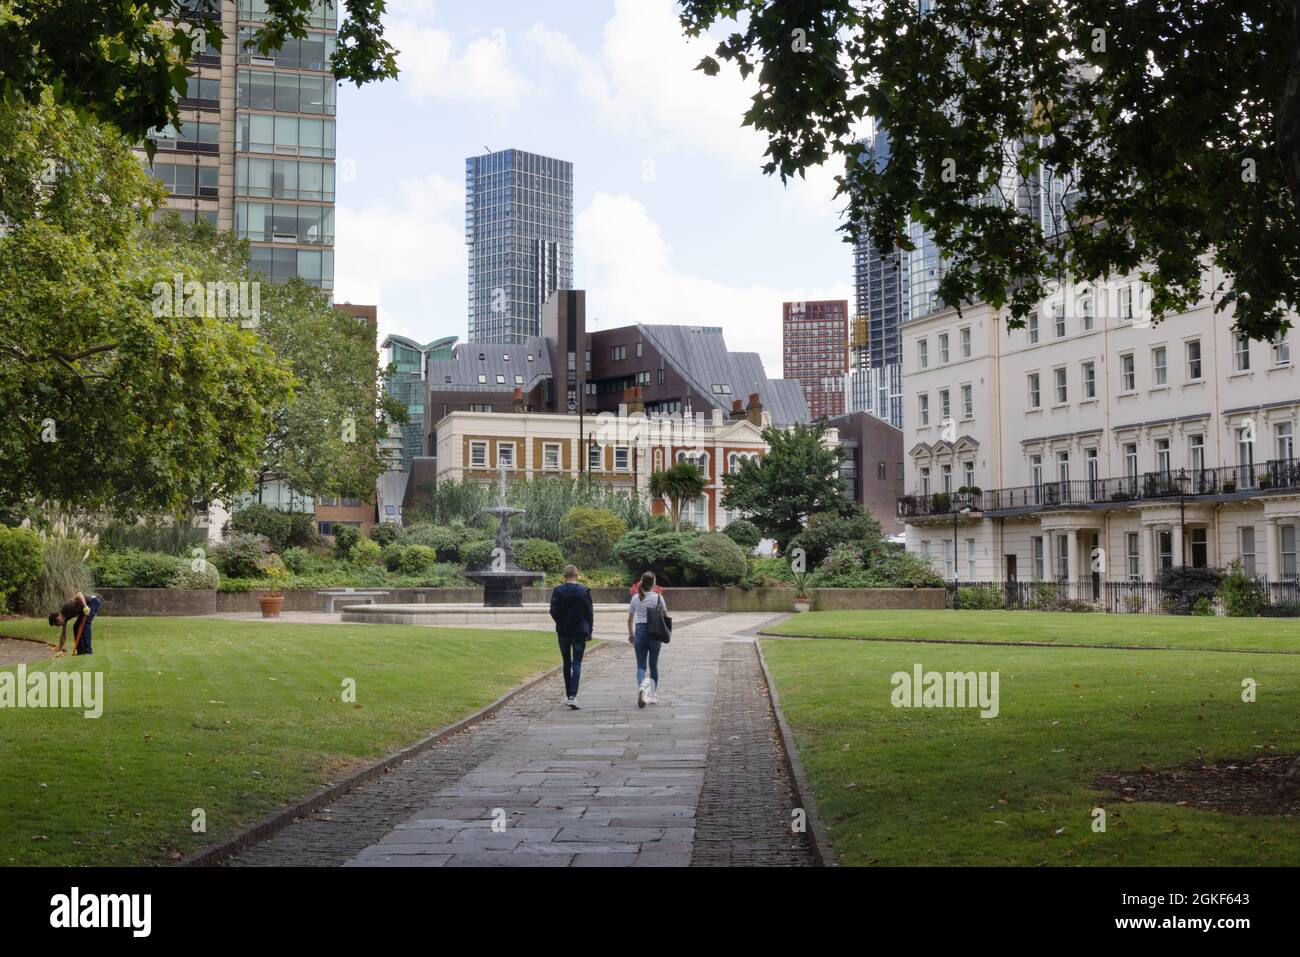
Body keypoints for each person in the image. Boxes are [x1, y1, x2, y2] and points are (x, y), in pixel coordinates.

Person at [549, 564, 594, 710]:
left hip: (564, 631)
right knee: (577, 663)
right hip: (580, 631)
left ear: (564, 575)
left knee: (566, 662)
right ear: (577, 574)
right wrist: (590, 629)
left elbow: (553, 610)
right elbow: (589, 613)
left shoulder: (558, 591)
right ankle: (573, 696)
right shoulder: (584, 591)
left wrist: (560, 621)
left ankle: (569, 694)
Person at [628, 571, 667, 708]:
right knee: (653, 665)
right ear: (653, 583)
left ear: (641, 581)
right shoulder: (658, 598)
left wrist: (631, 634)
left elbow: (630, 619)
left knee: (641, 666)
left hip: (640, 631)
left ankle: (642, 688)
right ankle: (653, 694)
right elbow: (665, 616)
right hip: (655, 632)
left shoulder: (635, 598)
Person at [49, 591, 102, 657]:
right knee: (76, 626)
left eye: (58, 624)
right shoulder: (64, 619)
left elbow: (79, 594)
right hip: (85, 608)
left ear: (58, 618)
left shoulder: (66, 607)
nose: (60, 625)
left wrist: (85, 606)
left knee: (86, 624)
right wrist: (59, 650)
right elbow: (63, 636)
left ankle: (88, 651)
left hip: (93, 602)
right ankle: (81, 651)